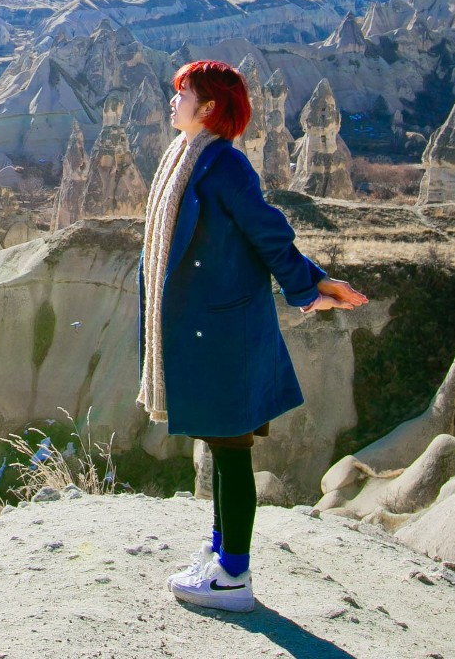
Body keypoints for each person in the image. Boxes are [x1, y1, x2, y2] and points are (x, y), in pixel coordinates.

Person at [138, 59, 367, 613]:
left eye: (182, 93)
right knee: (219, 446)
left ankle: (234, 576)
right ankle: (220, 553)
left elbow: (270, 235)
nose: (173, 102)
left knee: (232, 451)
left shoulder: (227, 167)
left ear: (209, 106)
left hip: (224, 331)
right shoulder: (184, 160)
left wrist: (311, 285)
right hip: (203, 328)